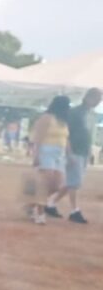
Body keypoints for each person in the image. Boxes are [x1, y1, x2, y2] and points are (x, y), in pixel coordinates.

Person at [48, 87, 100, 224]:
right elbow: (67, 133)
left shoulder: (90, 114)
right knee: (75, 182)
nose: (99, 102)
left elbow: (87, 134)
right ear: (89, 97)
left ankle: (50, 203)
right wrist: (69, 152)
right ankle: (74, 210)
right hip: (75, 150)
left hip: (82, 150)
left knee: (72, 182)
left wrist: (88, 150)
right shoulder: (75, 113)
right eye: (97, 99)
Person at [29, 95, 70, 225]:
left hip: (59, 153)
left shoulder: (63, 121)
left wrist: (69, 154)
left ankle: (35, 204)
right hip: (46, 151)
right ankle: (39, 212)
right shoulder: (46, 118)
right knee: (45, 183)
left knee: (57, 184)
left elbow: (66, 139)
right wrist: (36, 155)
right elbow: (38, 137)